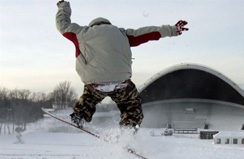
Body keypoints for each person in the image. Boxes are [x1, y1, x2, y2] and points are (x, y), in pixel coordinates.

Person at [55, 1, 188, 131]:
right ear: (108, 24)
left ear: (93, 25)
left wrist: (63, 7)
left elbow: (63, 25)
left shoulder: (81, 33)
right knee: (131, 105)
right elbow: (149, 32)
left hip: (95, 83)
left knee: (89, 97)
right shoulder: (123, 33)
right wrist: (173, 30)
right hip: (121, 83)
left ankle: (81, 116)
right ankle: (128, 129)